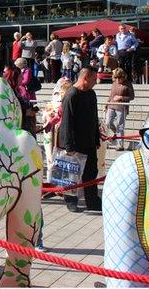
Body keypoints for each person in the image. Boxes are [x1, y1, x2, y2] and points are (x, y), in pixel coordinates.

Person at [59, 66, 102, 212]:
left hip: (89, 141)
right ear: (85, 78)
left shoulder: (91, 94)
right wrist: (69, 146)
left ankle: (92, 200)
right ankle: (71, 200)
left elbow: (94, 118)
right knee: (72, 174)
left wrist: (96, 139)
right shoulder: (72, 95)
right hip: (75, 144)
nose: (96, 81)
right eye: (94, 79)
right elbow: (67, 122)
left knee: (91, 172)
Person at [105, 68, 134, 151]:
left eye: (119, 78)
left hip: (121, 107)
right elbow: (111, 95)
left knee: (120, 125)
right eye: (115, 78)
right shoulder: (114, 83)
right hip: (111, 105)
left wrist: (121, 97)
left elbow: (132, 97)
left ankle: (120, 145)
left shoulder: (128, 84)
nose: (117, 80)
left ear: (123, 77)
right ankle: (116, 133)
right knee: (108, 122)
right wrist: (107, 104)